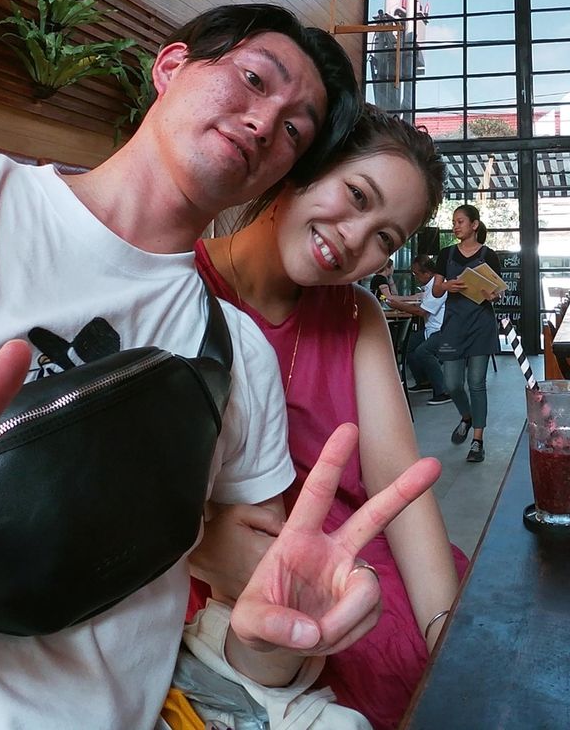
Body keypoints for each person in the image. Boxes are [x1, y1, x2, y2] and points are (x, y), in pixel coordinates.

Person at [0, 4, 441, 729]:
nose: (265, 121)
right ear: (170, 66)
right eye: (253, 79)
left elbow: (250, 600)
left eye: (295, 130)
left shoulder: (237, 355)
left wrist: (273, 640)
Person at [193, 106, 467, 730]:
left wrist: (444, 631)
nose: (354, 237)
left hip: (355, 561)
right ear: (304, 167)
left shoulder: (356, 315)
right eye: (357, 195)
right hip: (223, 582)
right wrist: (198, 548)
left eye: (385, 239)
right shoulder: (180, 282)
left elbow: (397, 482)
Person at [433, 205, 502, 465]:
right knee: (452, 384)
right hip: (454, 325)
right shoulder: (446, 254)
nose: (455, 226)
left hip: (481, 325)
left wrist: (493, 295)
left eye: (460, 221)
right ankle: (467, 416)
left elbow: (498, 292)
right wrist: (447, 285)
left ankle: (477, 441)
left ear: (474, 225)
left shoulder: (489, 255)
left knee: (476, 383)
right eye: (454, 222)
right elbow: (436, 291)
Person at [390, 254, 451, 405]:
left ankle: (443, 391)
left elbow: (422, 311)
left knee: (423, 351)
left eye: (416, 274)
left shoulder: (438, 287)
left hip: (442, 330)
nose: (415, 277)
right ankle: (424, 381)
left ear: (427, 273)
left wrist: (398, 305)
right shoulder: (428, 286)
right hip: (430, 328)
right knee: (408, 346)